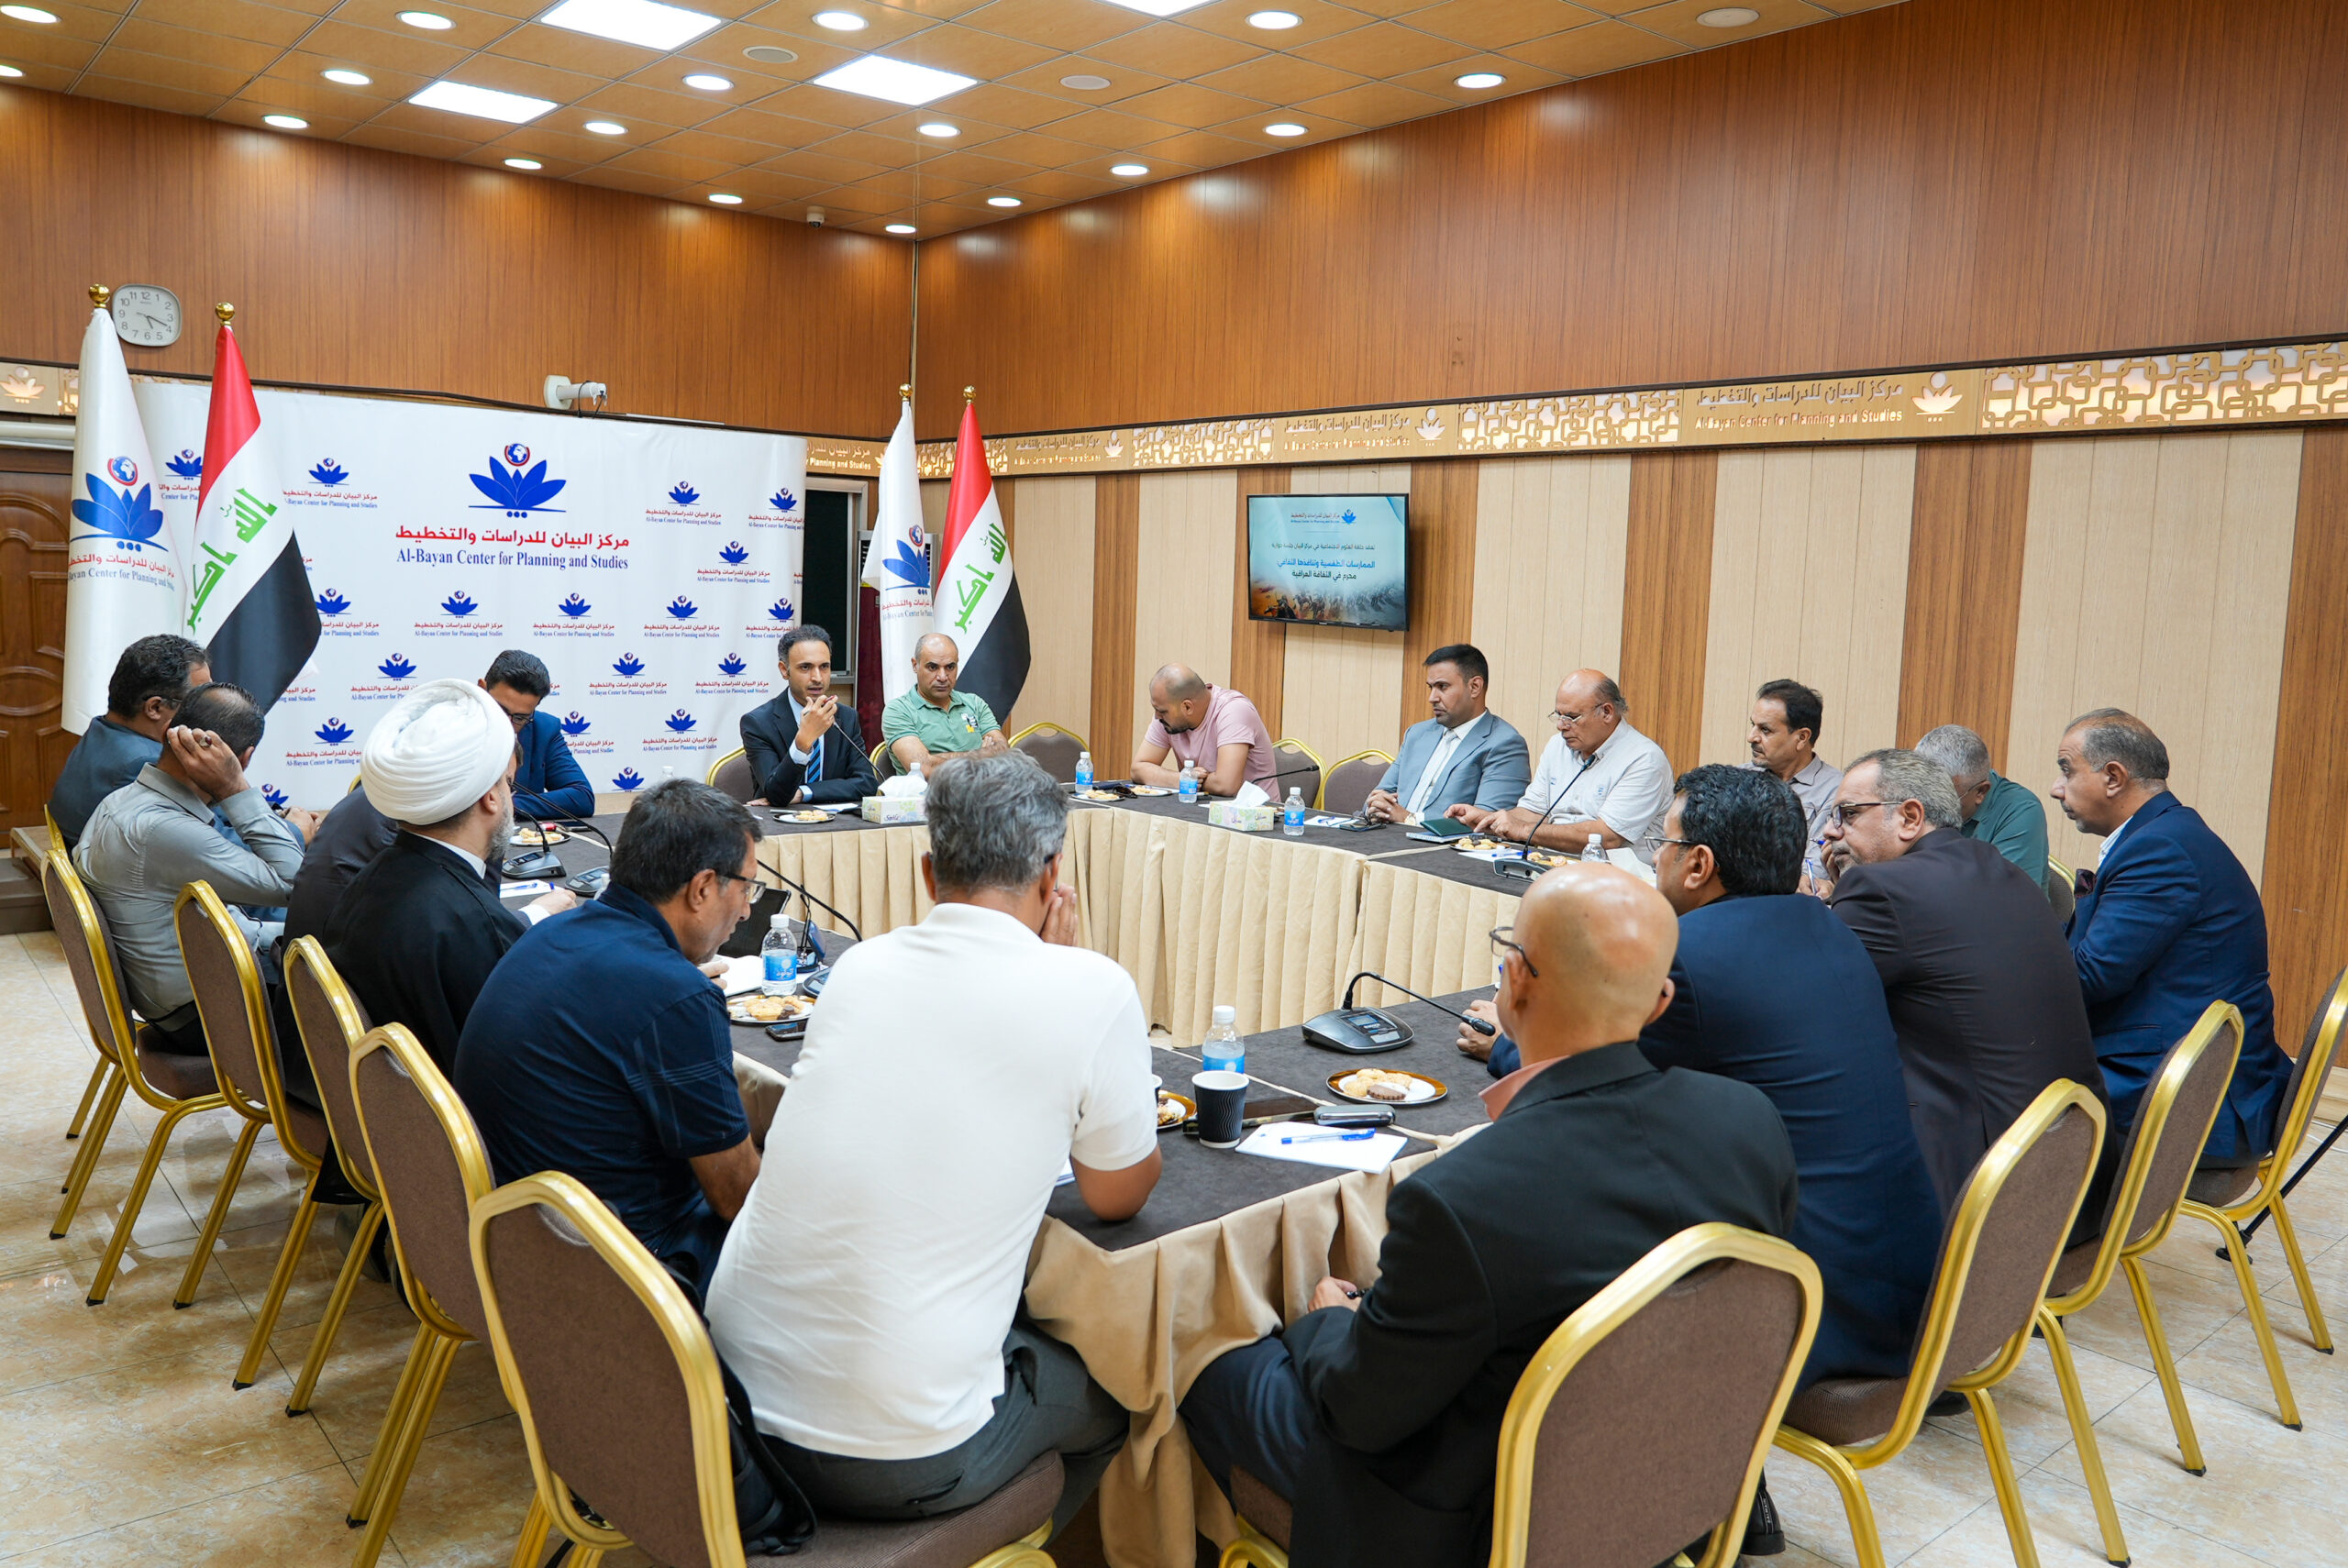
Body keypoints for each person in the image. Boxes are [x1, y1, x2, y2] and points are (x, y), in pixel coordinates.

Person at [1179, 864, 1797, 1568]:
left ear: (1516, 978)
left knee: (1214, 1358)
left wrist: (1325, 1320)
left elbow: (1358, 1411)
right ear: (1659, 1003)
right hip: (1668, 1493)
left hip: (1484, 1530)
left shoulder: (1464, 1197)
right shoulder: (1751, 1124)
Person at [707, 753, 1157, 1536]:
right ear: (1054, 873)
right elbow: (1117, 1196)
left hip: (725, 1402)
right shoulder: (1092, 988)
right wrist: (1062, 968)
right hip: (894, 1455)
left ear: (926, 871)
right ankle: (988, 1545)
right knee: (1124, 1392)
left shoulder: (860, 969)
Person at [1469, 767, 1935, 1389]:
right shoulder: (1832, 927)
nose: (1653, 859)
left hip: (1801, 1304)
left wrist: (1507, 1039)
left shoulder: (1686, 955)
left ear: (1698, 865)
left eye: (1662, 844)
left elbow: (1581, 1082)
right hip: (1900, 1281)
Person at [454, 779, 762, 1290]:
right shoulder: (676, 995)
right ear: (703, 887)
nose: (747, 909)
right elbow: (737, 1198)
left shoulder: (551, 933)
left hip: (510, 1240)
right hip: (619, 1272)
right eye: (747, 886)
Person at [1820, 748, 2107, 1211]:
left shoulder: (1880, 890)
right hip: (2074, 1172)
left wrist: (1834, 904)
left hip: (1985, 1191)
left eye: (1848, 814)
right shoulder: (2006, 872)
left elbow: (1812, 1009)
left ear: (1909, 817)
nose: (1832, 832)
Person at [2053, 710, 2293, 1165]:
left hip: (2191, 1102)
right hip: (2189, 1069)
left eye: (2067, 770)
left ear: (2113, 777)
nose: (2056, 788)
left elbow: (2090, 976)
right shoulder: (2167, 834)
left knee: (1983, 1088)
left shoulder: (2159, 849)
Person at [323, 680, 575, 1076]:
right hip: (452, 1108)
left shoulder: (374, 874)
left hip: (380, 1098)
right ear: (491, 797)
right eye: (508, 785)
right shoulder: (469, 923)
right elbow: (519, 1065)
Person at [72, 682, 305, 1055]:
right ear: (244, 759)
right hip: (206, 1013)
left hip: (185, 991)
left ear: (170, 730)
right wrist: (234, 788)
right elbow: (294, 884)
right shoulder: (162, 829)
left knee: (335, 941)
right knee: (363, 974)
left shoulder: (120, 800)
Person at [1445, 669, 1671, 860]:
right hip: (1552, 864)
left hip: (1617, 880)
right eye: (1558, 715)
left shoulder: (1644, 759)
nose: (1561, 726)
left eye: (1571, 717)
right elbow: (1535, 811)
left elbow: (1607, 837)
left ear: (1607, 712)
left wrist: (1523, 830)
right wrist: (1491, 819)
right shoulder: (1558, 746)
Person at [48, 634, 212, 851]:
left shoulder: (101, 729)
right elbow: (211, 842)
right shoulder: (147, 763)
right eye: (199, 700)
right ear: (155, 708)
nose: (209, 708)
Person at [1362, 645, 1530, 824]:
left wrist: (1410, 819)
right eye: (1431, 687)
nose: (1432, 698)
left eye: (1442, 687)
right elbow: (1378, 797)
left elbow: (1488, 822)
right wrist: (1376, 807)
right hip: (1386, 835)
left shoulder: (1505, 744)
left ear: (1475, 687)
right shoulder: (1417, 734)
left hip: (1443, 842)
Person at [739, 624, 878, 805]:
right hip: (780, 820)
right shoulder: (758, 723)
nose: (817, 678)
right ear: (784, 670)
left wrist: (804, 792)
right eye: (805, 667)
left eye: (824, 667)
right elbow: (776, 795)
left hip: (836, 819)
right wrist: (803, 742)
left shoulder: (846, 718)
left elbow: (866, 784)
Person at [1913, 723, 2050, 890]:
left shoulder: (2021, 811)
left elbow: (2004, 896)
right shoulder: (1913, 796)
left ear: (1980, 792)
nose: (1927, 807)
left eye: (1942, 798)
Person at [480, 648, 593, 821]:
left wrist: (503, 805)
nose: (507, 723)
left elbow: (582, 798)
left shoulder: (544, 729)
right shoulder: (449, 726)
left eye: (520, 718)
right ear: (482, 689)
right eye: (500, 709)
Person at [1130, 663, 1277, 796]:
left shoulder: (1234, 711)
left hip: (1256, 813)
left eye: (1161, 711)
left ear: (1187, 707)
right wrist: (1180, 779)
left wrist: (1186, 781)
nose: (1157, 716)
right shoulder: (1166, 716)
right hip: (1200, 808)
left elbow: (1226, 786)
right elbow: (1138, 769)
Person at [881, 633, 1007, 778]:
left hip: (983, 789)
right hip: (932, 791)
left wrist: (936, 758)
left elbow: (1003, 751)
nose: (942, 677)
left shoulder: (974, 703)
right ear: (915, 665)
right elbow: (923, 768)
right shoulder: (898, 710)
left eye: (950, 667)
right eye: (933, 667)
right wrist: (979, 755)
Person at [1745, 679, 1842, 847]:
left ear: (1802, 738)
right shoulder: (1739, 779)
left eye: (1765, 730)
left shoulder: (1835, 791)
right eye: (1753, 725)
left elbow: (1816, 862)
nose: (1751, 737)